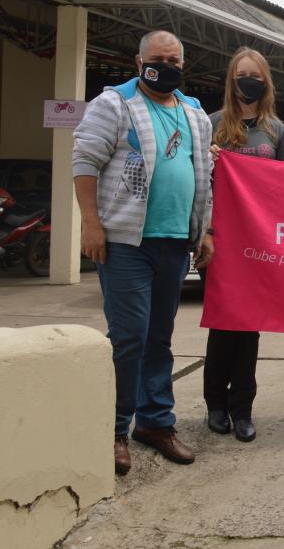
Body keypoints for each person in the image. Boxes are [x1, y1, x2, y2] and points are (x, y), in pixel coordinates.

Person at [72, 30, 214, 475]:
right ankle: (114, 427)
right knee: (129, 336)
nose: (166, 66)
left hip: (174, 242)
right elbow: (84, 163)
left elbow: (204, 175)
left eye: (174, 59)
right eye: (158, 58)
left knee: (159, 337)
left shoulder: (194, 114)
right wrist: (91, 223)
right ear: (139, 61)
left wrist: (204, 232)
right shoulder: (113, 104)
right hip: (125, 242)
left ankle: (155, 422)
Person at [202, 48, 284, 443]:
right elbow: (197, 181)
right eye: (242, 75)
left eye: (255, 75)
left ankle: (243, 408)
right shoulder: (212, 125)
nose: (248, 81)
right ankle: (215, 405)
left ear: (265, 81)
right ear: (231, 80)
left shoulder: (276, 130)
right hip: (221, 241)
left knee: (250, 327)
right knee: (223, 325)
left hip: (259, 244)